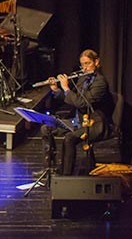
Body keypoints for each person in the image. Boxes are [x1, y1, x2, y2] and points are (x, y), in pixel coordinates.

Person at [36, 49, 113, 177]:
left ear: (97, 62)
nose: (84, 67)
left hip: (94, 124)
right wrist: (56, 90)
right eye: (82, 64)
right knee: (46, 128)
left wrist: (66, 87)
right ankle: (49, 168)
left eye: (88, 63)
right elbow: (72, 99)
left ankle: (66, 176)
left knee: (69, 138)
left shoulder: (100, 82)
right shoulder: (83, 78)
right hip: (78, 120)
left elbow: (82, 103)